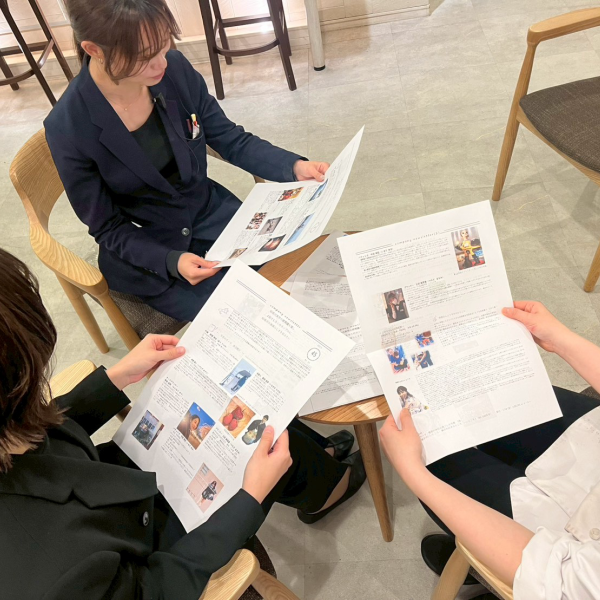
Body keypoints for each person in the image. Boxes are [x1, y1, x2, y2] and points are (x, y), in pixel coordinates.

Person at [0, 248, 365, 600]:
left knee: (252, 420)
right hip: (150, 546)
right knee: (270, 447)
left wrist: (115, 379)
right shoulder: (51, 571)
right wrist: (249, 500)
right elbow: (155, 590)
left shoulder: (9, 423)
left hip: (112, 488)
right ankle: (330, 486)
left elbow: (32, 430)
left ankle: (322, 461)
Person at [44, 0, 330, 323]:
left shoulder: (174, 70)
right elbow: (108, 228)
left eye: (164, 42)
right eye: (144, 56)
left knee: (301, 280)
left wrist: (292, 167)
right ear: (94, 50)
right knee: (241, 319)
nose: (161, 62)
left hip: (213, 217)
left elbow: (229, 139)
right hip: (152, 253)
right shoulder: (69, 126)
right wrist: (171, 260)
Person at [381, 300, 600, 600]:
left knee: (434, 457)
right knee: (486, 398)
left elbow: (557, 579)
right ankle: (473, 556)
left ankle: (477, 564)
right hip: (591, 442)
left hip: (562, 550)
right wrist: (561, 339)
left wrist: (412, 471)